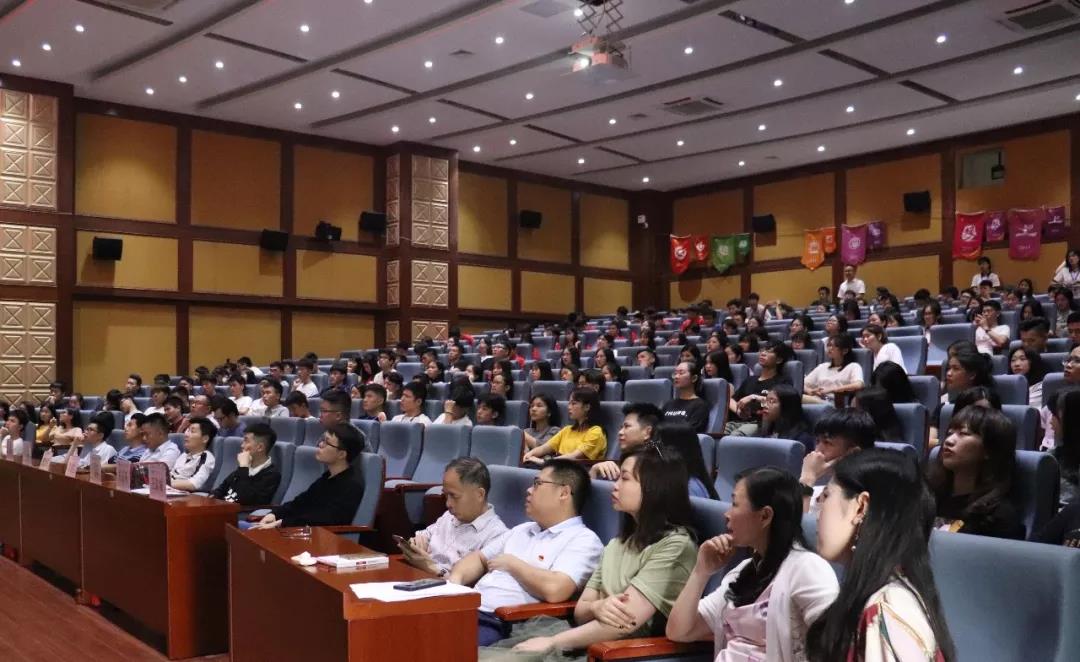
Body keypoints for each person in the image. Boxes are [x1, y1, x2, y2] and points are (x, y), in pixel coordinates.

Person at [502, 448, 698, 657]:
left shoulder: (676, 545)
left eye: (625, 479)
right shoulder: (617, 543)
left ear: (655, 487)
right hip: (586, 640)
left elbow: (623, 623)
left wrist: (553, 642)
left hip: (621, 653)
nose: (615, 486)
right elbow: (581, 611)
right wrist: (597, 607)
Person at [667, 467, 839, 661]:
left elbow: (835, 646)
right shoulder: (743, 571)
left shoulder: (807, 569)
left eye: (735, 504)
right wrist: (701, 572)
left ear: (764, 516)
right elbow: (679, 631)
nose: (727, 514)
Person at [807, 449, 955, 661]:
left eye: (826, 496)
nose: (818, 513)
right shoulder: (880, 592)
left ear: (861, 507)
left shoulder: (887, 610)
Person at [448, 459, 603, 647]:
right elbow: (479, 558)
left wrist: (513, 565)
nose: (529, 490)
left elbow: (556, 589)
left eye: (537, 484)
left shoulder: (583, 540)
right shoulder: (523, 529)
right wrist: (455, 582)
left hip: (504, 623)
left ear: (563, 493)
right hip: (469, 608)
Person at [401, 458, 509, 578]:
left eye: (454, 496)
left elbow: (474, 585)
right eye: (446, 495)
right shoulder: (449, 516)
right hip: (420, 578)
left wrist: (431, 567)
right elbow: (426, 534)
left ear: (479, 494)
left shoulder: (497, 536)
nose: (448, 504)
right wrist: (418, 542)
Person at [927, 406, 1024, 540]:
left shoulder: (998, 516)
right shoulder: (927, 496)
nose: (948, 441)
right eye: (949, 433)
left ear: (989, 449)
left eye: (963, 434)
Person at [250, 424, 366, 529]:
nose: (320, 444)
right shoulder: (328, 477)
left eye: (326, 442)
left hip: (315, 538)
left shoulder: (351, 485)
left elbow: (325, 520)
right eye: (322, 440)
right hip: (296, 530)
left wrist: (282, 523)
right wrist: (274, 514)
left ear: (341, 454)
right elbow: (299, 503)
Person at [799, 408, 876, 512]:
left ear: (853, 453)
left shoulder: (857, 500)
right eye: (817, 441)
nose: (817, 450)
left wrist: (807, 479)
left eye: (827, 443)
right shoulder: (819, 490)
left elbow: (799, 522)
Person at [523, 387, 606, 464]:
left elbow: (575, 456)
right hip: (558, 468)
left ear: (587, 407)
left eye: (573, 403)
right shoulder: (567, 430)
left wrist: (544, 461)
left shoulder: (596, 432)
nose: (569, 407)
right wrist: (529, 455)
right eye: (569, 403)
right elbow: (544, 448)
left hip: (577, 471)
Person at [728, 341, 793, 435]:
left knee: (735, 436)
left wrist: (754, 398)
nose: (763, 353)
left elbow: (780, 404)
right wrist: (739, 411)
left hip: (760, 424)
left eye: (769, 351)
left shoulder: (782, 381)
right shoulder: (750, 380)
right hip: (738, 422)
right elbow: (731, 400)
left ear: (779, 360)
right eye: (762, 350)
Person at [212, 422, 281, 505]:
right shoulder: (244, 468)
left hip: (240, 511)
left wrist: (243, 468)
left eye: (246, 441)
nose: (242, 445)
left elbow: (245, 500)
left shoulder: (271, 475)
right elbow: (219, 491)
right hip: (221, 508)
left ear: (260, 447)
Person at [589, 402, 661, 480]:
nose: (620, 432)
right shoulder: (626, 461)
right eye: (621, 427)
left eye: (627, 426)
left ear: (647, 432)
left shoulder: (655, 467)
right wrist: (593, 471)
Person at [804, 334, 864, 405]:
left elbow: (859, 385)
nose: (830, 348)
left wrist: (832, 390)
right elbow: (803, 384)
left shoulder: (853, 366)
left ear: (845, 351)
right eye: (829, 345)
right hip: (816, 399)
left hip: (834, 402)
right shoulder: (822, 366)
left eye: (834, 346)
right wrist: (810, 391)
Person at [170, 416, 217, 492]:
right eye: (187, 430)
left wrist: (166, 483)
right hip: (170, 490)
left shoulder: (206, 457)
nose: (186, 434)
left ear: (205, 439)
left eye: (192, 431)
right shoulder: (184, 455)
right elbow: (172, 475)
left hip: (187, 494)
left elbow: (194, 484)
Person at [662, 361, 710, 434]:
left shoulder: (700, 405)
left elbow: (691, 432)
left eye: (681, 373)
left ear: (694, 378)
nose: (676, 376)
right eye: (675, 373)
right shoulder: (668, 404)